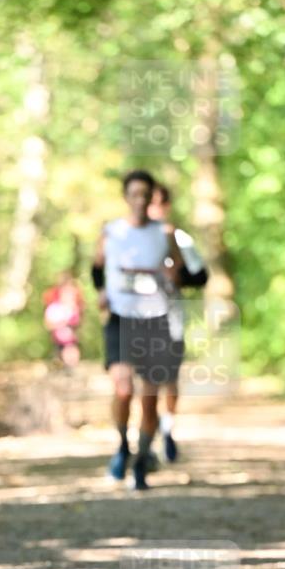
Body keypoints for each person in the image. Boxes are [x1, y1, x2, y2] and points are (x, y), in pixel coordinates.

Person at [91, 170, 184, 490]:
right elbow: (96, 265)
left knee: (149, 398)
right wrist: (101, 290)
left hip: (154, 319)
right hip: (120, 317)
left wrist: (171, 278)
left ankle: (142, 461)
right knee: (122, 387)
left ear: (151, 197)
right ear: (126, 197)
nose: (141, 200)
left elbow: (179, 268)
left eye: (146, 194)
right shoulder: (111, 231)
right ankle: (121, 446)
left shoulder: (165, 232)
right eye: (135, 194)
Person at [148, 183, 208, 462]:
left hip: (171, 321)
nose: (153, 208)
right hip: (136, 322)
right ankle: (146, 438)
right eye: (149, 202)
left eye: (159, 203)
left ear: (166, 207)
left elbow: (201, 276)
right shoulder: (127, 238)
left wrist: (178, 276)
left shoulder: (180, 238)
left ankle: (167, 429)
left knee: (168, 379)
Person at [43, 271, 84, 367]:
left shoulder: (73, 301)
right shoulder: (54, 303)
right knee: (61, 351)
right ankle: (61, 364)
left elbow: (77, 318)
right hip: (59, 335)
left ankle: (69, 365)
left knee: (70, 351)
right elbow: (49, 322)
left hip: (70, 336)